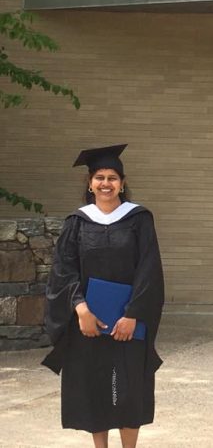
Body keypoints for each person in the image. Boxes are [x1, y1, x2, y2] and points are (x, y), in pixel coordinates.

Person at [42, 144, 165, 448]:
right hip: (90, 325)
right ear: (89, 183)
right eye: (99, 177)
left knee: (129, 389)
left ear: (122, 183)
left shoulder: (139, 219)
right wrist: (80, 310)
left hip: (128, 322)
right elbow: (63, 270)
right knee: (96, 389)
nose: (106, 183)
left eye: (112, 177)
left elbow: (149, 269)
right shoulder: (77, 222)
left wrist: (133, 315)